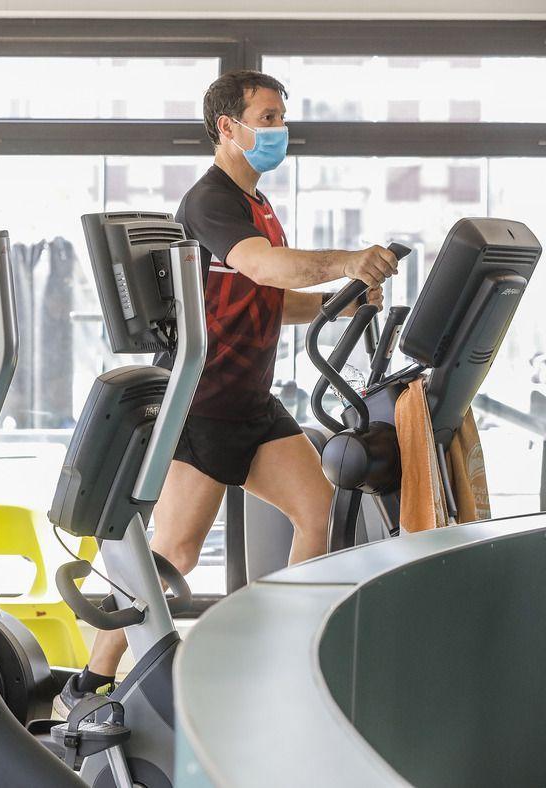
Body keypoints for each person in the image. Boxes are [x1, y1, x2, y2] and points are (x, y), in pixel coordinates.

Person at [56, 70, 398, 713]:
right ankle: (92, 684)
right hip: (203, 403)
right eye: (266, 117)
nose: (277, 129)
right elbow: (263, 266)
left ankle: (292, 650)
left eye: (279, 118)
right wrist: (349, 261)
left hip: (251, 402)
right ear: (228, 127)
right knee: (173, 552)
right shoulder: (211, 200)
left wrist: (339, 305)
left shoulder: (258, 204)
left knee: (315, 508)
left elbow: (271, 297)